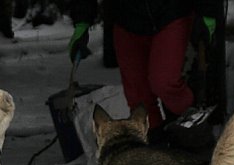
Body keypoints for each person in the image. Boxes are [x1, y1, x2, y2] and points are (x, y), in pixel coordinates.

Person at [69, 0, 219, 149]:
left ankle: (195, 136)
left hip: (171, 14)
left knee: (164, 82)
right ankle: (156, 152)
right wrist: (82, 22)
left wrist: (208, 13)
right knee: (138, 95)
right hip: (126, 21)